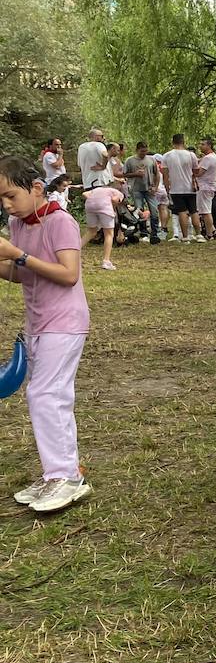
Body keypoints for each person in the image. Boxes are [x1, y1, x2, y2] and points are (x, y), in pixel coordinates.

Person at [0, 156, 92, 512]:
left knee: (45, 394)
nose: (7, 205)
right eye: (2, 199)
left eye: (11, 196)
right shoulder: (19, 222)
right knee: (50, 396)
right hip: (37, 323)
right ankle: (60, 472)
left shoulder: (61, 222)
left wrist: (18, 255)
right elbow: (25, 275)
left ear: (36, 188)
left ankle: (64, 476)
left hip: (64, 321)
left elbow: (68, 274)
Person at [163, 134, 200, 242]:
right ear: (184, 142)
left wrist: (167, 188)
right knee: (193, 211)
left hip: (176, 188)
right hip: (190, 187)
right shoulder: (191, 155)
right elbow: (196, 171)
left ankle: (185, 236)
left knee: (182, 212)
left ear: (172, 142)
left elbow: (165, 174)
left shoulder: (167, 156)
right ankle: (198, 235)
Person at [123, 141, 161, 243]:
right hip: (136, 189)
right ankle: (143, 232)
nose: (144, 153)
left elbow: (157, 174)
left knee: (154, 211)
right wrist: (135, 174)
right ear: (137, 150)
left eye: (145, 151)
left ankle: (155, 233)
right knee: (139, 211)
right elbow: (124, 174)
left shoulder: (151, 160)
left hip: (149, 189)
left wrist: (155, 187)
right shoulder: (130, 160)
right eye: (142, 151)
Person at [194, 139, 216, 241]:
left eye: (203, 144)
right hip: (209, 186)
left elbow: (199, 173)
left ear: (209, 146)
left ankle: (209, 234)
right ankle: (213, 230)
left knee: (205, 211)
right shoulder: (212, 157)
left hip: (204, 187)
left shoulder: (208, 158)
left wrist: (192, 168)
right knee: (205, 209)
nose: (200, 146)